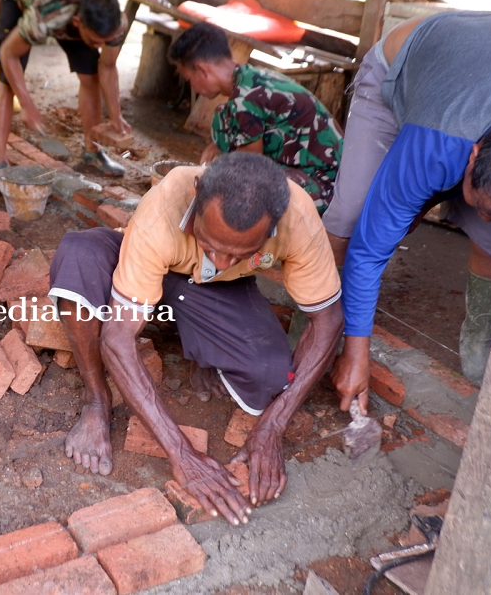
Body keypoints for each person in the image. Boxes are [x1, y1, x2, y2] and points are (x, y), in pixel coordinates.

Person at [48, 153, 343, 524]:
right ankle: (95, 401)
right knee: (79, 254)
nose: (220, 259)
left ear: (271, 229)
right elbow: (117, 339)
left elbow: (328, 319)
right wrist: (182, 454)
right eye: (209, 242)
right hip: (142, 273)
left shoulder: (297, 218)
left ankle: (202, 350)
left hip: (215, 292)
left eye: (239, 253)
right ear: (197, 197)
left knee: (269, 376)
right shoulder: (165, 207)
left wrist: (273, 426)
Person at [323, 11, 491, 401]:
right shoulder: (437, 142)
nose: (484, 215)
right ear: (473, 156)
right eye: (481, 203)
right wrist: (357, 350)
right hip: (406, 66)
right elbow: (370, 250)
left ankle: (479, 352)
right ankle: (314, 327)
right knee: (353, 214)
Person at [168, 22, 343, 215]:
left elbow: (248, 172)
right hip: (316, 170)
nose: (190, 85)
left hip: (328, 185)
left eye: (188, 78)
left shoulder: (245, 100)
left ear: (202, 70)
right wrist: (216, 146)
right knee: (222, 118)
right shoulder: (250, 78)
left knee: (241, 194)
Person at [0, 0, 131, 176]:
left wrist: (116, 116)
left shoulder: (115, 23)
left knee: (90, 75)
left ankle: (92, 153)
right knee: (8, 81)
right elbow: (8, 54)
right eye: (96, 42)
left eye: (105, 41)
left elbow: (108, 67)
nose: (100, 46)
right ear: (77, 23)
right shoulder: (47, 16)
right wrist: (27, 104)